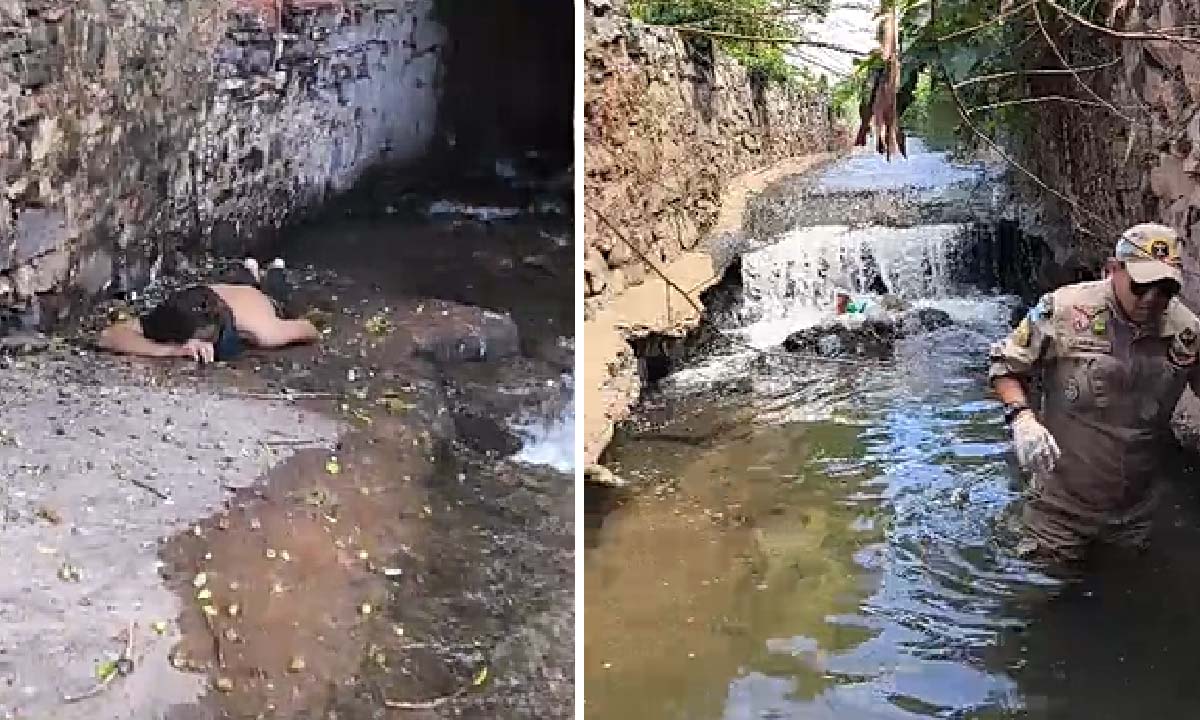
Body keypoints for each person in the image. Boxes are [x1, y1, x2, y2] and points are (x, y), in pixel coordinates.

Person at [989, 223, 1200, 564]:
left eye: (1164, 290)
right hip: (1059, 512)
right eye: (1141, 285)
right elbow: (1004, 365)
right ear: (1113, 269)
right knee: (1041, 601)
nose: (1151, 299)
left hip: (1137, 515)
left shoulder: (1187, 331)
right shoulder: (1062, 310)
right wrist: (1021, 418)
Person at [98, 258, 319, 363]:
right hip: (222, 289)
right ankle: (248, 270)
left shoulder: (262, 329)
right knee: (239, 278)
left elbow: (309, 329)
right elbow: (109, 336)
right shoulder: (175, 312)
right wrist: (170, 351)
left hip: (262, 301)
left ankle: (274, 270)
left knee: (277, 290)